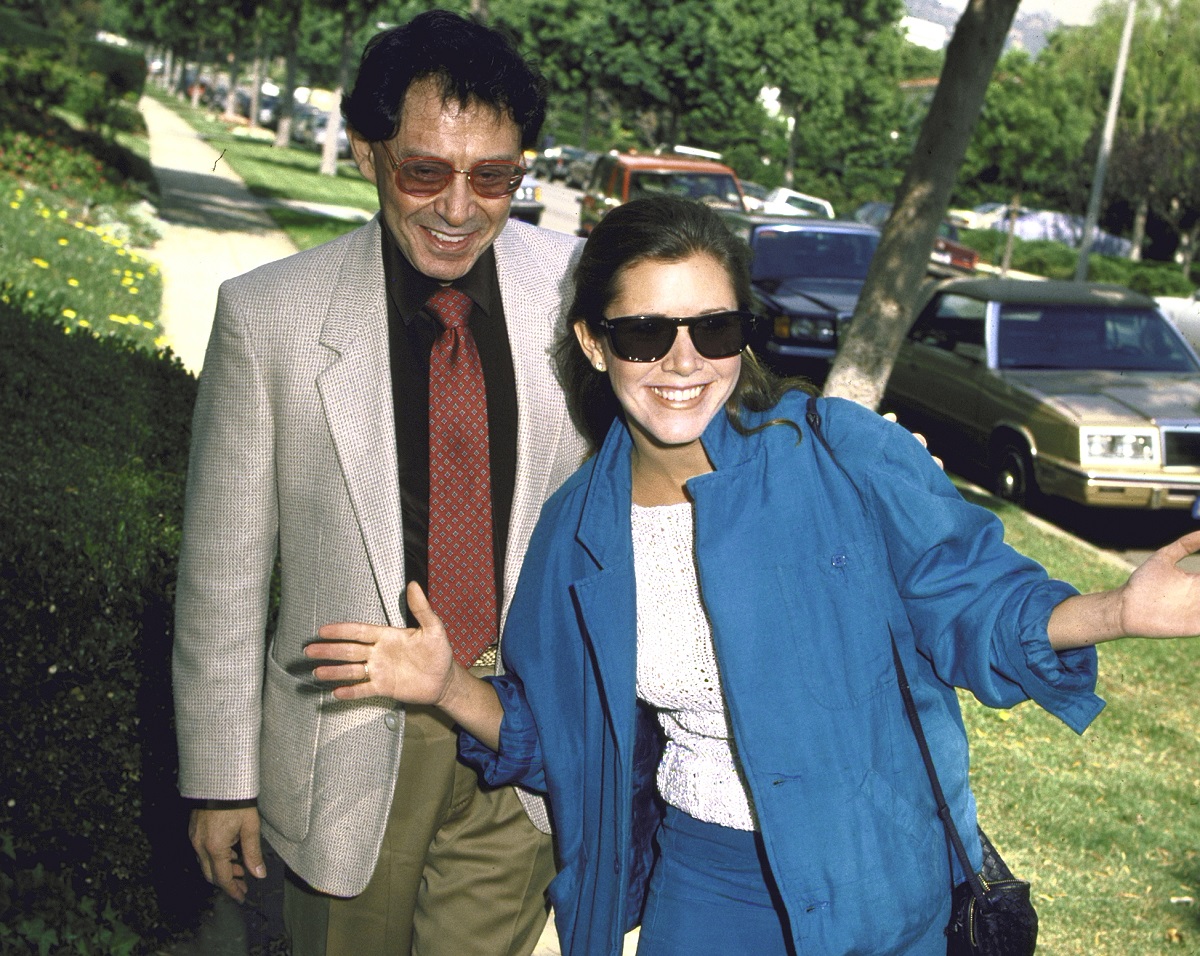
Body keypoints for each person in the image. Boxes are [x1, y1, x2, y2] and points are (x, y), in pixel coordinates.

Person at [307, 196, 1200, 956]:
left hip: (879, 876)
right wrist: (446, 687)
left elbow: (972, 597)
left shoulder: (841, 457)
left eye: (714, 327)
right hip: (705, 891)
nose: (684, 362)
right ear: (592, 341)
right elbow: (568, 735)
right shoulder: (576, 533)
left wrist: (1119, 609)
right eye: (645, 333)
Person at [173, 10, 587, 956]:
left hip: (517, 740)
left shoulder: (576, 289)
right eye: (424, 170)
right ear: (368, 154)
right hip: (349, 745)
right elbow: (224, 575)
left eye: (494, 178)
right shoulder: (267, 317)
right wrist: (222, 780)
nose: (459, 208)